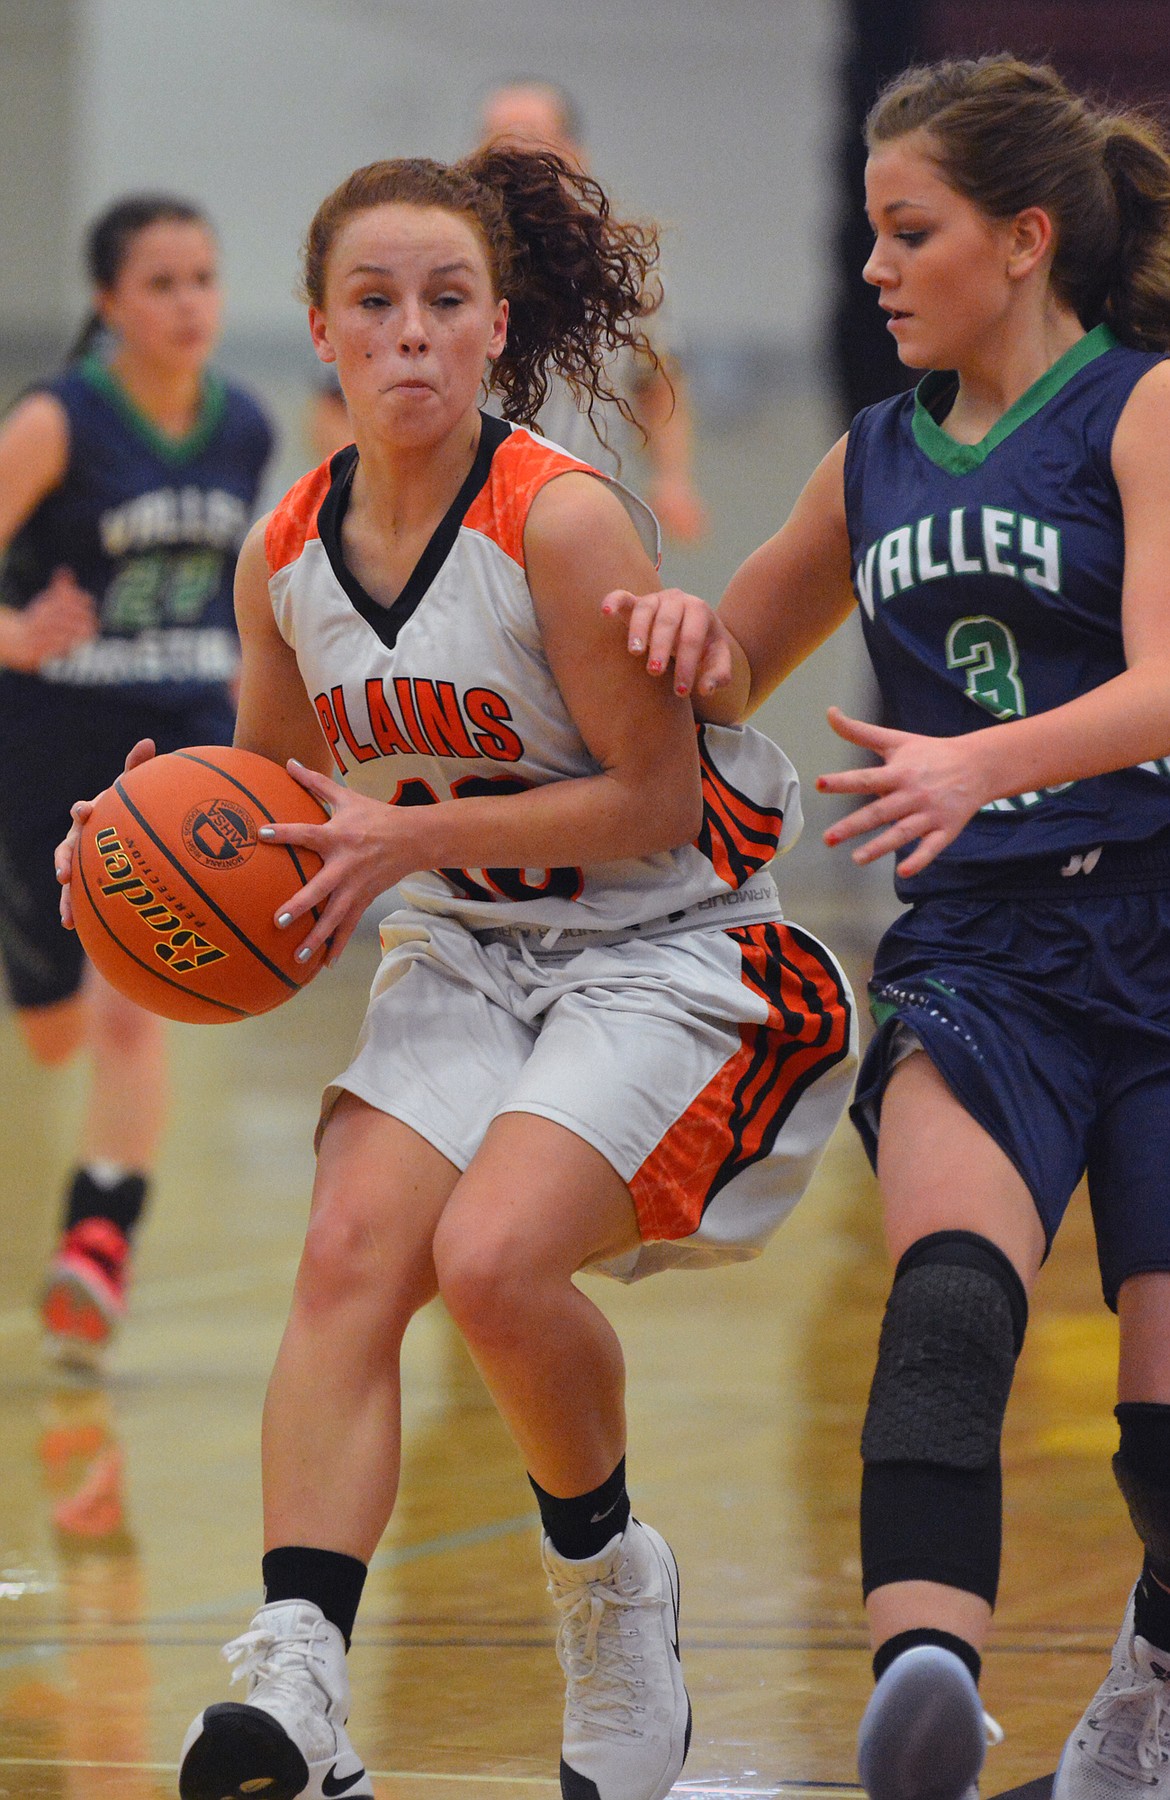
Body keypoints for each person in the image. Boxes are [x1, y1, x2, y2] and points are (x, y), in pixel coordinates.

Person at [58, 149, 856, 1800]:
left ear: (494, 330)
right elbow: (276, 818)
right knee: (351, 1242)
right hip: (470, 949)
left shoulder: (564, 522)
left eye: (442, 304)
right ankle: (298, 1674)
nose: (409, 334)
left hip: (661, 947)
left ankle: (605, 1581)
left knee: (495, 1262)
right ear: (321, 333)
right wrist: (128, 840)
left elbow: (653, 801)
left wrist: (400, 846)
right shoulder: (285, 556)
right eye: (375, 304)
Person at [603, 53, 1170, 1800]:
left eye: (905, 231)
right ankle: (927, 1674)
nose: (871, 267)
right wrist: (643, 636)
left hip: (1157, 930)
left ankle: (1146, 1675)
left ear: (1022, 239)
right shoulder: (870, 460)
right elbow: (720, 671)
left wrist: (980, 758)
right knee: (948, 1303)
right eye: (868, 233)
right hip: (980, 951)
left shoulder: (1142, 408)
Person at [0, 194, 273, 1371]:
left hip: (175, 742)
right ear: (109, 302)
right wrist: (13, 634)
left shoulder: (247, 425)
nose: (188, 304)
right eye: (161, 283)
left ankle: (98, 1244)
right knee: (54, 1029)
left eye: (203, 278)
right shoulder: (57, 420)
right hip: (48, 730)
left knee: (135, 995)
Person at [476, 77, 710, 544]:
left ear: (574, 152)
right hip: (468, 519)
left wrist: (673, 479)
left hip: (586, 516)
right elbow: (338, 400)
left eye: (532, 139)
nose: (518, 159)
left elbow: (657, 379)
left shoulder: (625, 265)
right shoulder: (446, 259)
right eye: (500, 142)